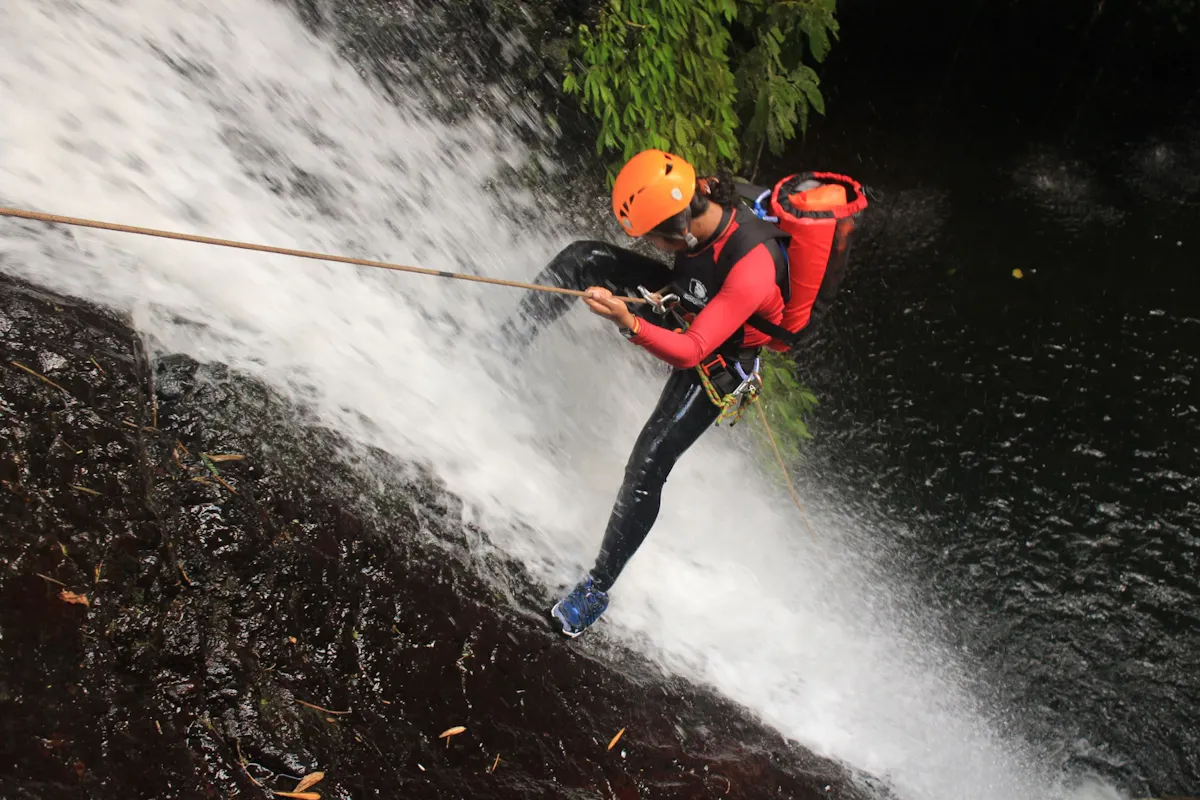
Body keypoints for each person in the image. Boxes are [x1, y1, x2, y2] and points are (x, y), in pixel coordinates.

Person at [501, 149, 863, 638]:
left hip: (719, 355)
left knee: (649, 462)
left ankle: (595, 590)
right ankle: (498, 350)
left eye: (652, 237)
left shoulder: (751, 266)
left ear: (679, 230)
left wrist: (627, 321)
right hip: (690, 297)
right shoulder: (703, 199)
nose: (650, 243)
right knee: (582, 260)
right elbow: (687, 281)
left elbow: (691, 351)